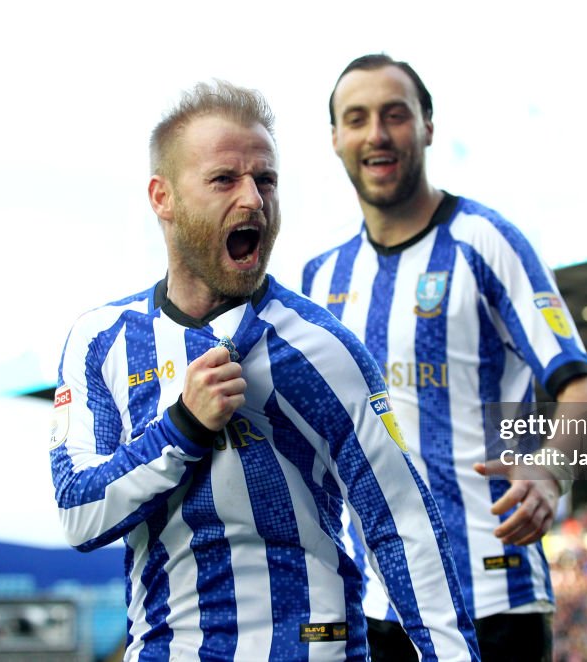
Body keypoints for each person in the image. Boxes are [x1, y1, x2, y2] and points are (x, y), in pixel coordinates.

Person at [49, 79, 480, 662]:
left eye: (266, 179)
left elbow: (403, 527)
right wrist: (181, 429)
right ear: (163, 197)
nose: (253, 199)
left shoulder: (324, 350)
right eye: (225, 179)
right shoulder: (101, 341)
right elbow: (78, 513)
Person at [303, 53, 587, 661]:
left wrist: (550, 472)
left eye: (395, 114)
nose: (377, 134)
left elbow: (586, 395)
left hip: (490, 596)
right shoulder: (322, 280)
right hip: (373, 611)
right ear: (336, 138)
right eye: (357, 119)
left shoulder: (485, 242)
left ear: (427, 126)